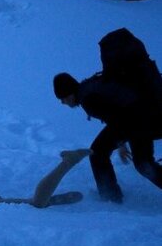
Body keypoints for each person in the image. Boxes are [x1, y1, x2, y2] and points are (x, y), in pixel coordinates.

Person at [53, 72, 162, 203]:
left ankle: (110, 197)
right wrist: (121, 141)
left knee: (97, 153)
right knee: (143, 163)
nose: (62, 102)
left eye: (62, 98)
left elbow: (119, 119)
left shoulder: (88, 98)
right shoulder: (89, 89)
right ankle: (110, 195)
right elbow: (118, 116)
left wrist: (121, 144)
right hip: (143, 117)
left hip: (141, 119)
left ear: (69, 93)